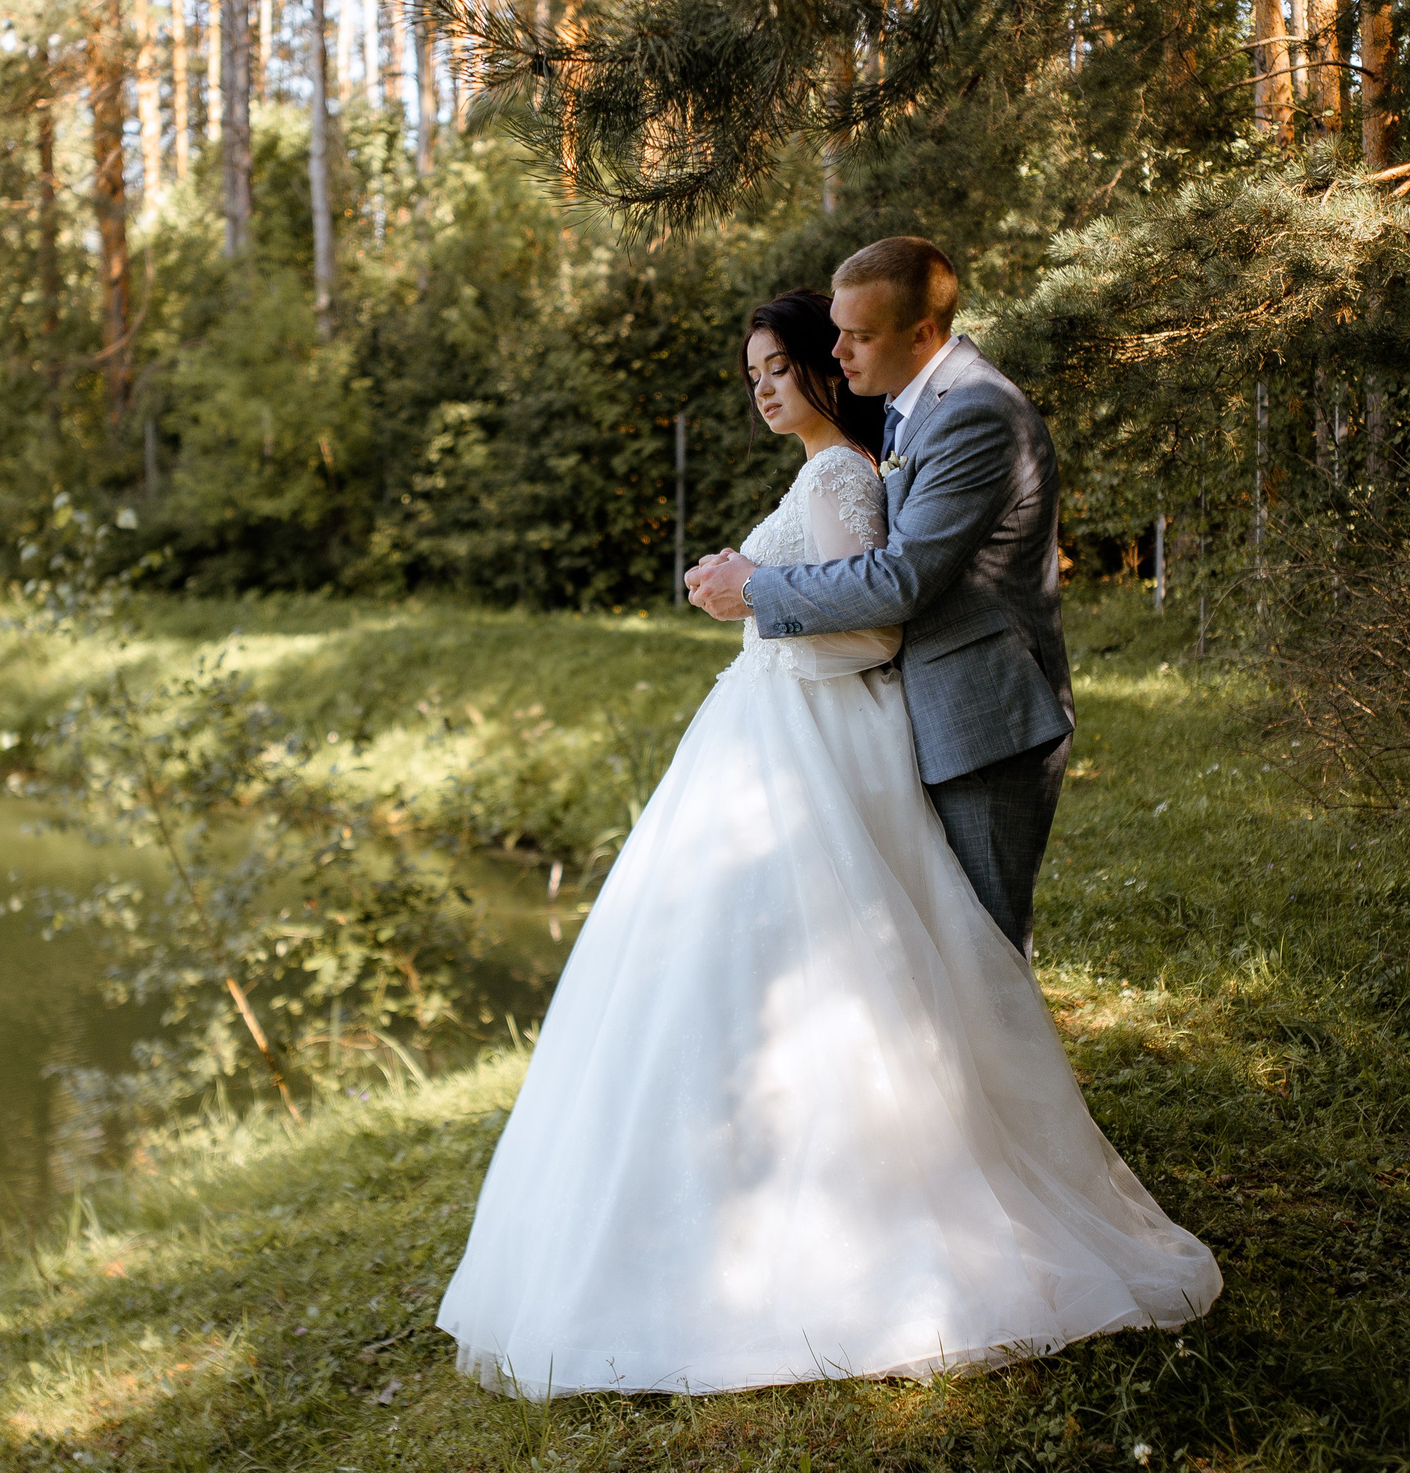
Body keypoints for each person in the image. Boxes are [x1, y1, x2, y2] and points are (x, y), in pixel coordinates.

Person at [435, 288, 1218, 1400]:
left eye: (777, 366)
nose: (761, 387)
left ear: (827, 368)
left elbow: (869, 629)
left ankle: (876, 1197)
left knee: (846, 965)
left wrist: (748, 599)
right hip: (769, 724)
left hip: (813, 730)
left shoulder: (844, 471)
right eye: (749, 373)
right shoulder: (826, 472)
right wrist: (750, 599)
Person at [686, 237, 1070, 957]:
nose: (837, 352)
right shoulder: (909, 411)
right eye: (837, 331)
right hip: (930, 714)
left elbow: (902, 577)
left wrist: (756, 587)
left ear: (923, 331)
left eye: (859, 335)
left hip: (982, 718)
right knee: (943, 955)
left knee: (983, 955)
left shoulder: (974, 413)